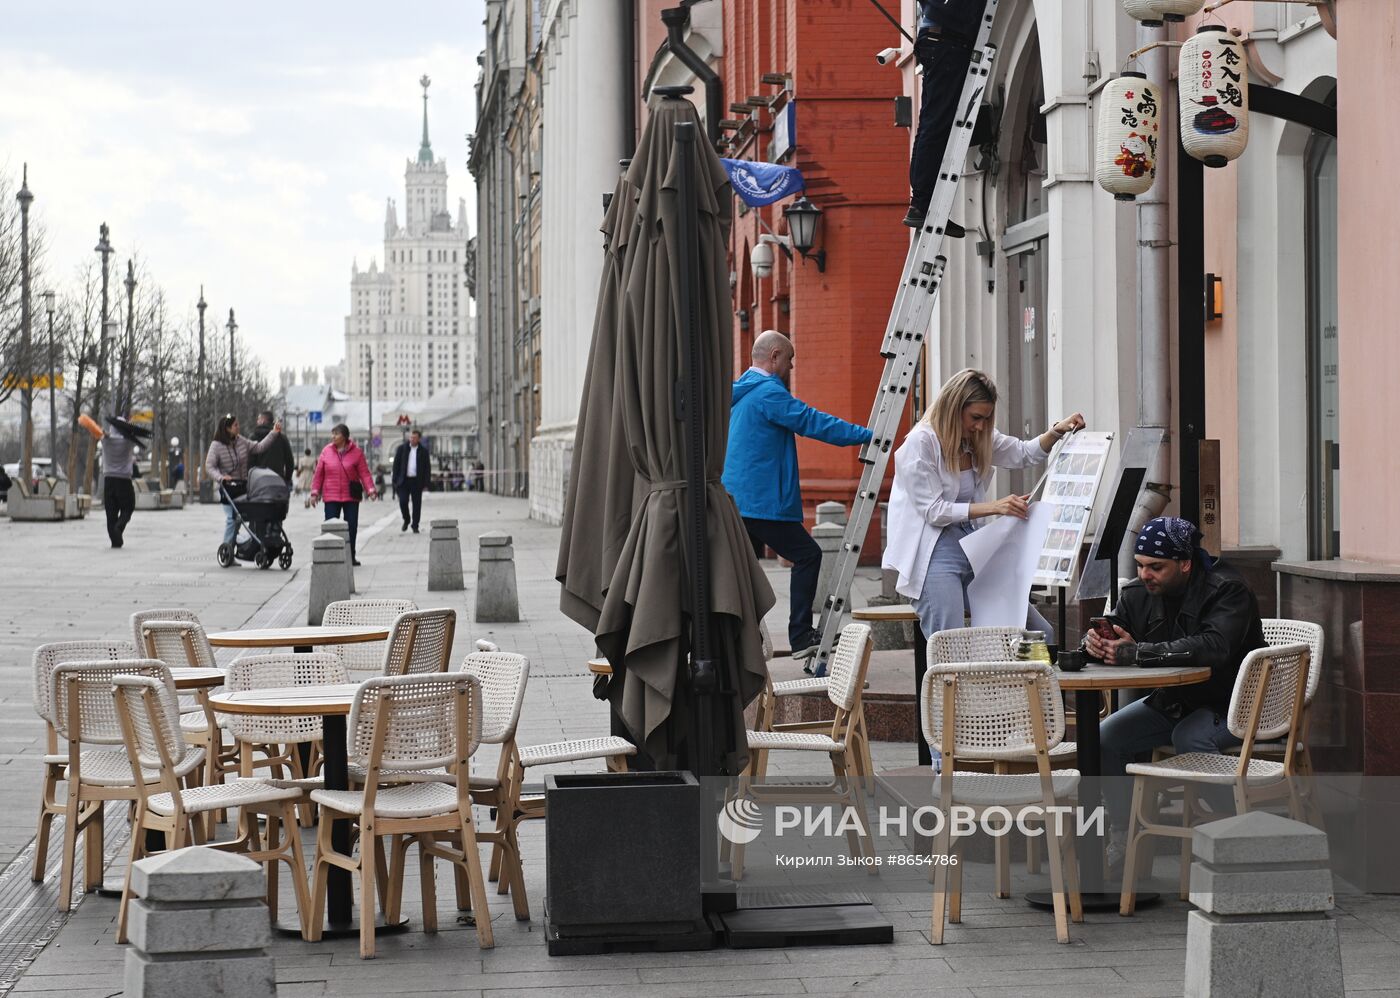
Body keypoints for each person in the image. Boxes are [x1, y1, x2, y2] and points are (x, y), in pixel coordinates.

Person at [1089, 516, 1265, 861]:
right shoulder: (1138, 593)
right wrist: (1097, 642)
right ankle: (1124, 839)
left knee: (1190, 737)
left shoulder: (1227, 588)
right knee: (1105, 738)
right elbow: (1117, 629)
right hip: (1173, 701)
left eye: (1156, 567)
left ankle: (1236, 834)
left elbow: (1215, 646)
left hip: (1229, 703)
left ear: (1185, 563)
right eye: (1140, 566)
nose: (1145, 575)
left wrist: (1137, 652)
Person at [883, 369, 1085, 642]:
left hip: (974, 544)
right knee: (950, 646)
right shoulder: (921, 443)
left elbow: (1023, 453)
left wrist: (1056, 431)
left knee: (1037, 634)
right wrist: (995, 507)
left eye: (987, 418)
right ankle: (955, 685)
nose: (980, 425)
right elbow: (933, 511)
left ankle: (1023, 684)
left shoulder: (977, 437)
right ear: (953, 408)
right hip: (933, 552)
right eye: (975, 417)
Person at [721, 330, 873, 659]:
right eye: (790, 359)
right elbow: (810, 421)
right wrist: (866, 436)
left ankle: (736, 641)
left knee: (739, 573)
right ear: (774, 356)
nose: (792, 366)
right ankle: (802, 636)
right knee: (807, 555)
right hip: (760, 502)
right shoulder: (767, 394)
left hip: (736, 500)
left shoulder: (742, 391)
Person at [904, 0, 988, 232]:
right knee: (936, 126)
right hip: (946, 42)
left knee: (932, 125)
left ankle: (924, 205)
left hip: (941, 41)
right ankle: (922, 206)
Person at [205, 413, 285, 566]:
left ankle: (243, 546)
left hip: (242, 486)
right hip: (227, 487)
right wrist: (221, 477)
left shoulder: (241, 441)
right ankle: (228, 549)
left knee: (242, 518)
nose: (238, 427)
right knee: (232, 519)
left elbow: (259, 447)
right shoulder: (216, 445)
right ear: (227, 428)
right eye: (236, 425)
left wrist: (273, 433)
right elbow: (209, 466)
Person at [310, 423, 376, 565]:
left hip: (350, 496)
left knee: (351, 527)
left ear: (345, 437)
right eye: (332, 434)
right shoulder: (326, 452)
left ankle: (350, 555)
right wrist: (314, 493)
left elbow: (364, 473)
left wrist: (371, 490)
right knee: (331, 528)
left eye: (336, 434)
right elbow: (319, 474)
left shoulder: (357, 453)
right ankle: (331, 556)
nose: (333, 437)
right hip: (331, 496)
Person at [101, 419, 140, 549]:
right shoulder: (128, 441)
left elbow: (102, 435)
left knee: (110, 512)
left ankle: (115, 541)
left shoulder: (105, 441)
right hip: (124, 480)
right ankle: (120, 526)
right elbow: (132, 436)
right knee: (128, 507)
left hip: (109, 480)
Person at [392, 428, 431, 532]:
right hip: (404, 481)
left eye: (414, 438)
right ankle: (407, 519)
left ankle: (415, 525)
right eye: (411, 437)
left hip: (417, 481)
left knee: (417, 505)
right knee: (403, 501)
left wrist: (426, 483)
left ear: (419, 439)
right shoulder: (402, 449)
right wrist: (395, 480)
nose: (412, 439)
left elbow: (427, 468)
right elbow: (396, 465)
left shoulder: (423, 451)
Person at [249, 409, 296, 486]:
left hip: (259, 481)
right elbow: (289, 461)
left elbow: (250, 461)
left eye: (258, 419)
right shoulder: (282, 438)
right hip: (278, 479)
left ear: (263, 421)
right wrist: (287, 478)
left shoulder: (253, 437)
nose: (257, 421)